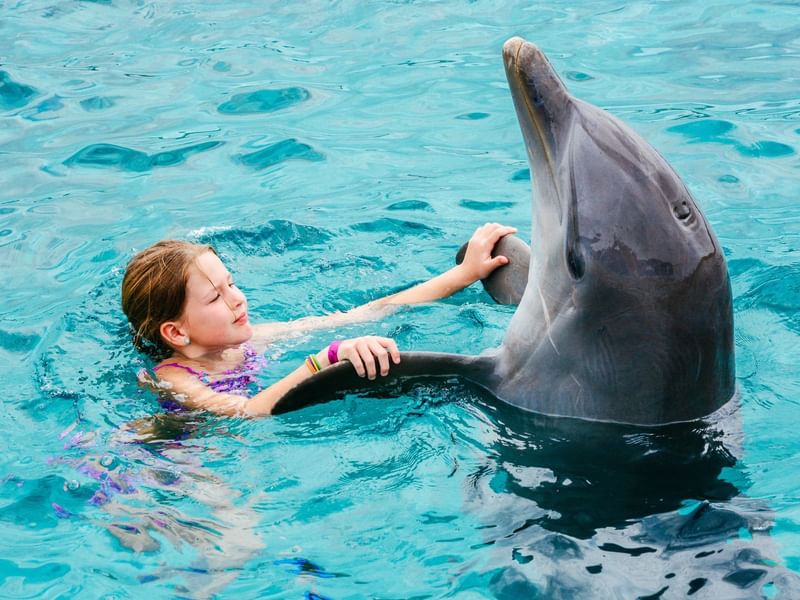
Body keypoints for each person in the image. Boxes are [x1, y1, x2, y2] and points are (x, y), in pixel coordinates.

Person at [122, 223, 517, 417]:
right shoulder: (173, 377)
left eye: (231, 283)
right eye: (215, 297)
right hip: (165, 459)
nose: (237, 298)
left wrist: (464, 273)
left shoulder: (251, 339)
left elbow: (365, 314)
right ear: (175, 332)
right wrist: (324, 359)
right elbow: (249, 411)